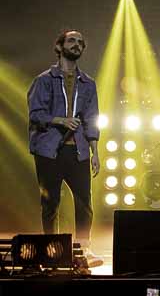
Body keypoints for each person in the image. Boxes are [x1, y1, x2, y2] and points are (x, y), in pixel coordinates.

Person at [27, 30, 102, 266]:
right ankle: (52, 250)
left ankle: (83, 251)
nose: (77, 45)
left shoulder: (88, 83)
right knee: (50, 203)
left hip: (78, 150)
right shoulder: (44, 80)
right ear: (59, 47)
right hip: (49, 149)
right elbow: (36, 114)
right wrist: (60, 120)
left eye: (81, 42)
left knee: (84, 202)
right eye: (72, 40)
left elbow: (92, 118)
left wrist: (95, 151)